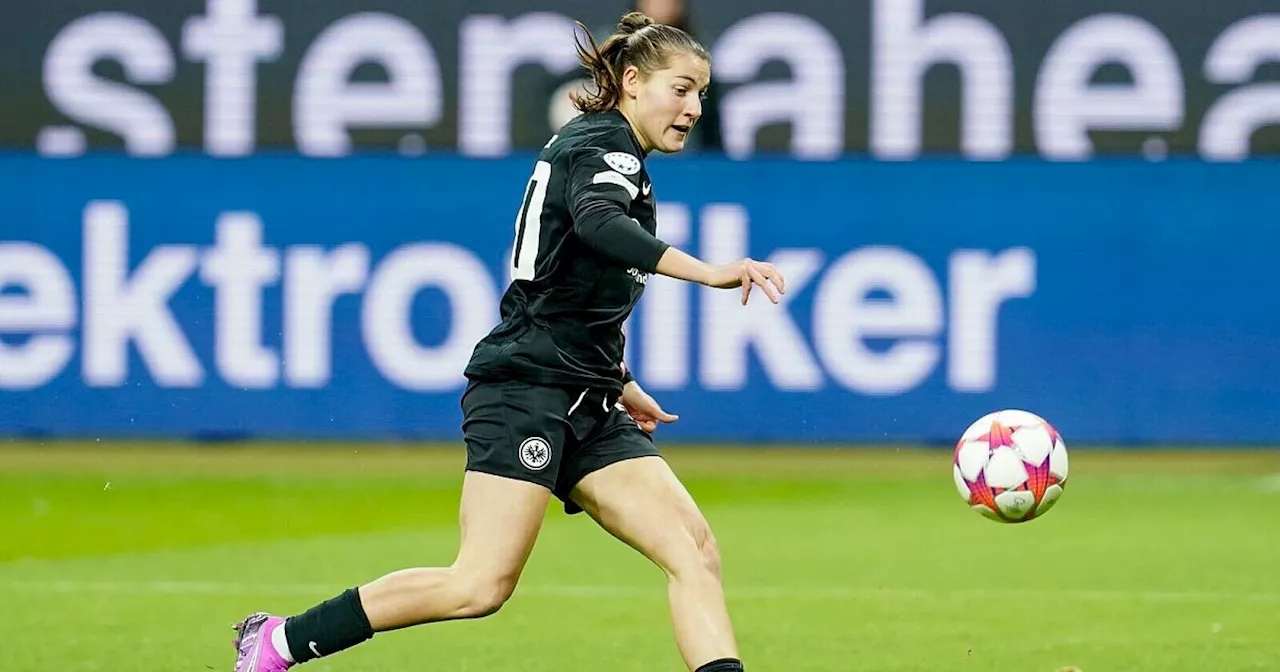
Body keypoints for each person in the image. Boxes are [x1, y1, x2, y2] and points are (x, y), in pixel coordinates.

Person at [230, 11, 784, 672]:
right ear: (632, 81)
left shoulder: (614, 152)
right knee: (478, 586)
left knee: (693, 550)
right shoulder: (602, 145)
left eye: (702, 93)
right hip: (526, 392)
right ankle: (280, 641)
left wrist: (618, 377)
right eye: (681, 88)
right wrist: (708, 271)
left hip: (586, 394)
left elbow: (572, 285)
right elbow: (601, 225)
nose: (694, 107)